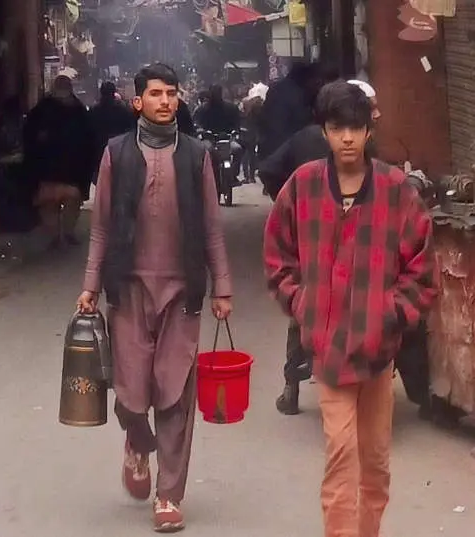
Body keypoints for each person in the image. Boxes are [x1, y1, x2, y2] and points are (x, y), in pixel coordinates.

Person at [264, 81, 437, 537]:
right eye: (337, 128)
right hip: (329, 350)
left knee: (376, 464)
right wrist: (303, 304)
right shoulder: (301, 187)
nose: (346, 138)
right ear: (323, 130)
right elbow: (277, 256)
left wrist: (391, 314)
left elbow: (422, 267)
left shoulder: (396, 190)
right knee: (340, 457)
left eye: (355, 128)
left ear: (367, 131)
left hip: (379, 351)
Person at [77, 63, 233, 533]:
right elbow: (101, 226)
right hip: (127, 288)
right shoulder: (116, 154)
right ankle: (136, 444)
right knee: (129, 393)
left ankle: (168, 495)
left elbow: (210, 228)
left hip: (182, 290)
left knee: (174, 392)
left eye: (172, 94)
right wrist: (89, 285)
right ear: (137, 101)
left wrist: (222, 286)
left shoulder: (197, 156)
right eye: (156, 94)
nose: (166, 101)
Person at [260, 79, 384, 415]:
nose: (349, 136)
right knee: (304, 311)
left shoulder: (378, 169)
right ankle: (295, 381)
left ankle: (297, 386)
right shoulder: (306, 176)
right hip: (314, 251)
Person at [23, 75, 95, 247]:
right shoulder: (78, 110)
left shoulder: (42, 108)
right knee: (68, 204)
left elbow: (29, 135)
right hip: (70, 172)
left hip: (49, 170)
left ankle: (57, 235)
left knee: (50, 206)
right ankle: (66, 234)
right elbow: (89, 140)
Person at [88, 81, 134, 175]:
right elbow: (131, 129)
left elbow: (87, 133)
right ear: (114, 92)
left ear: (101, 92)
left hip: (98, 152)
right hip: (119, 151)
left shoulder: (94, 111)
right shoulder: (123, 110)